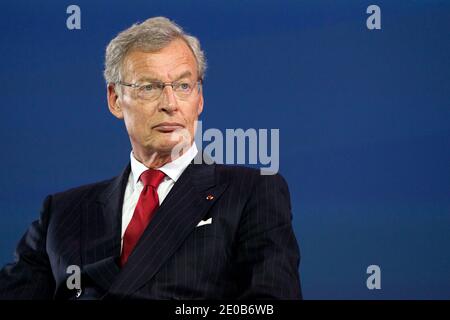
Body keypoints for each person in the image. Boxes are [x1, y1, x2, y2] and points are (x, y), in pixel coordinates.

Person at [0, 17, 301, 300]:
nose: (170, 104)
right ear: (115, 99)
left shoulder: (251, 192)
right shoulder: (63, 214)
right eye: (149, 87)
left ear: (200, 100)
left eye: (183, 86)